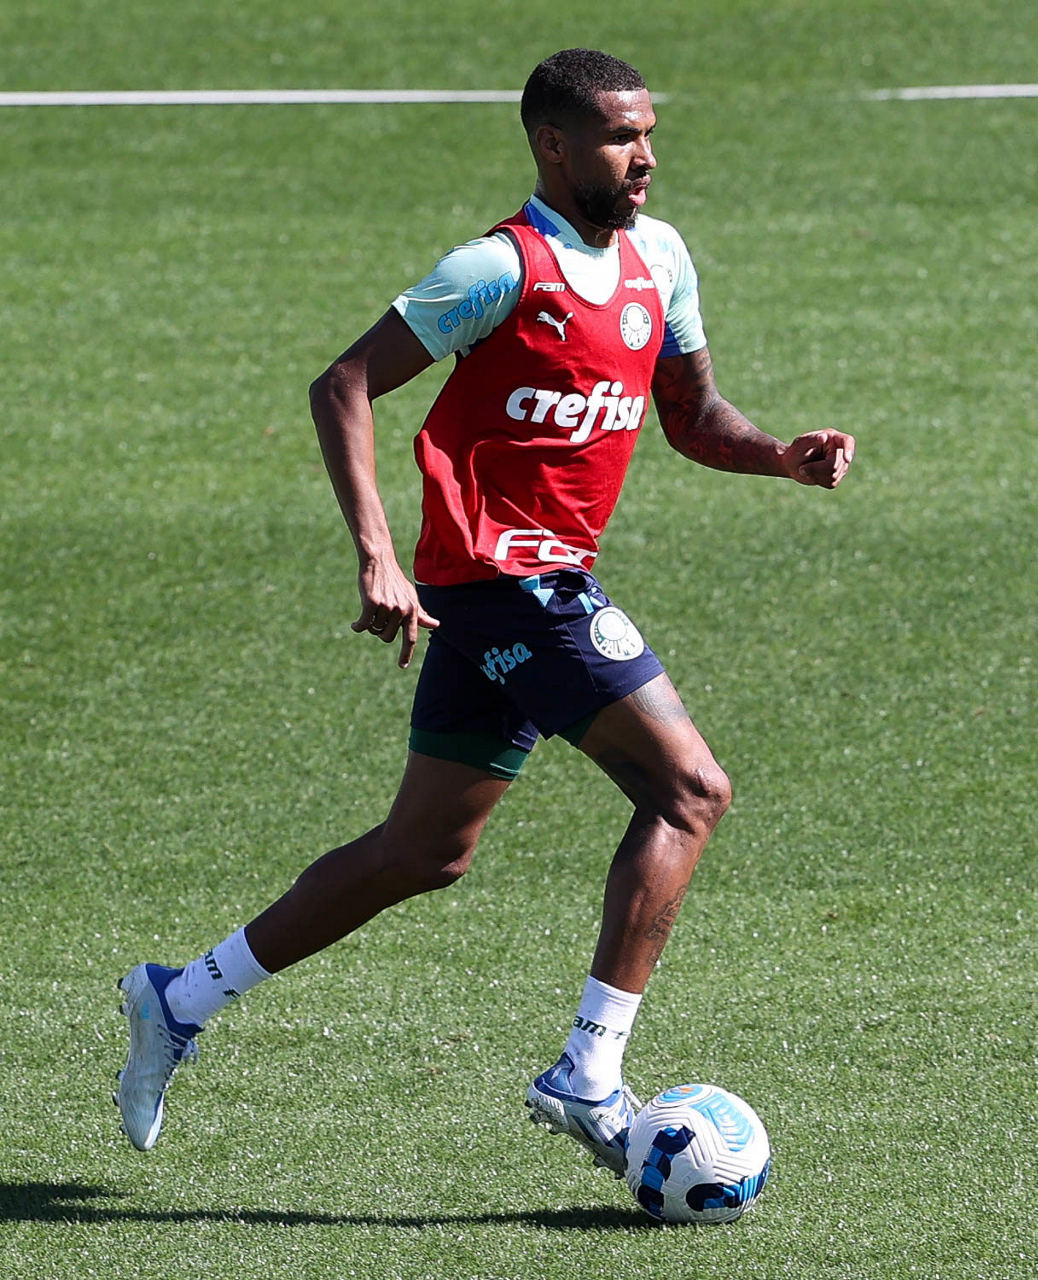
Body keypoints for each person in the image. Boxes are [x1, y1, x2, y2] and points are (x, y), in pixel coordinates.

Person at [115, 48, 855, 1173]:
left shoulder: (661, 257)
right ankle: (590, 1072)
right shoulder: (497, 269)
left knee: (425, 850)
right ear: (554, 145)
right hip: (508, 579)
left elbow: (694, 414)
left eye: (649, 135)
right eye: (620, 137)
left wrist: (781, 457)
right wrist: (378, 557)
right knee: (691, 789)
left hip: (525, 584)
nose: (646, 158)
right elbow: (343, 384)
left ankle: (179, 997)